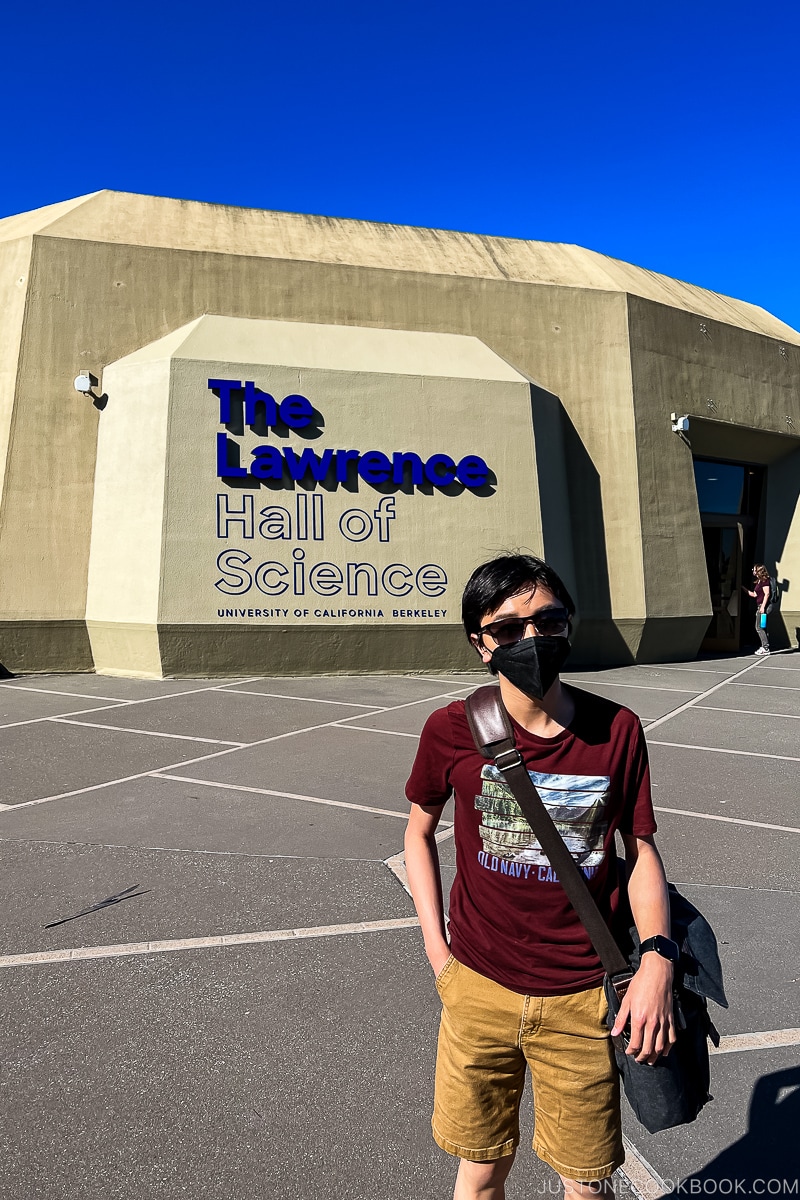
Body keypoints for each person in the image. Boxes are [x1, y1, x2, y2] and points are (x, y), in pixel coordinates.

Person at [404, 554, 677, 1200]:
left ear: (567, 627)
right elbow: (417, 832)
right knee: (479, 1172)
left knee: (585, 1185)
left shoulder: (616, 731)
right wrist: (437, 954)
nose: (532, 640)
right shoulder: (450, 730)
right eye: (508, 629)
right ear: (481, 645)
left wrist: (659, 959)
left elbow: (638, 851)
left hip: (584, 999)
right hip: (477, 989)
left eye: (548, 621)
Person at [745, 564, 771, 655]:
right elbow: (754, 595)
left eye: (754, 569)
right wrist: (743, 589)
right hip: (760, 606)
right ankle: (765, 646)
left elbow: (767, 594)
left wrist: (763, 607)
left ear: (758, 571)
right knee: (762, 627)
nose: (753, 570)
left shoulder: (765, 581)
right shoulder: (759, 581)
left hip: (763, 606)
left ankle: (765, 648)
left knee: (759, 627)